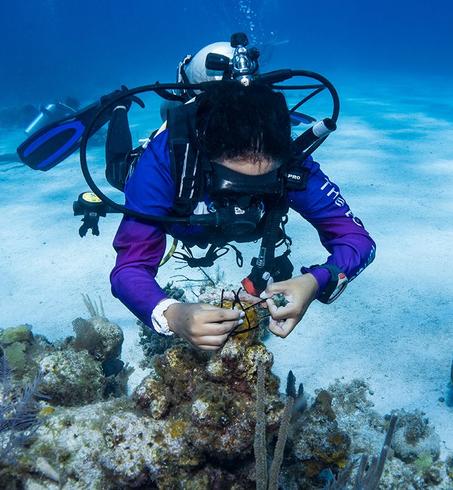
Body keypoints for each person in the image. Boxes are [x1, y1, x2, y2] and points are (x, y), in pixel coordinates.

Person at [109, 42, 376, 351]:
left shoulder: (293, 162)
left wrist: (316, 281)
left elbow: (357, 240)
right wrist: (171, 314)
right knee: (117, 172)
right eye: (233, 185)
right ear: (206, 160)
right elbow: (129, 268)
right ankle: (117, 105)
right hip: (161, 173)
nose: (243, 201)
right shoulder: (164, 162)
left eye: (261, 183)